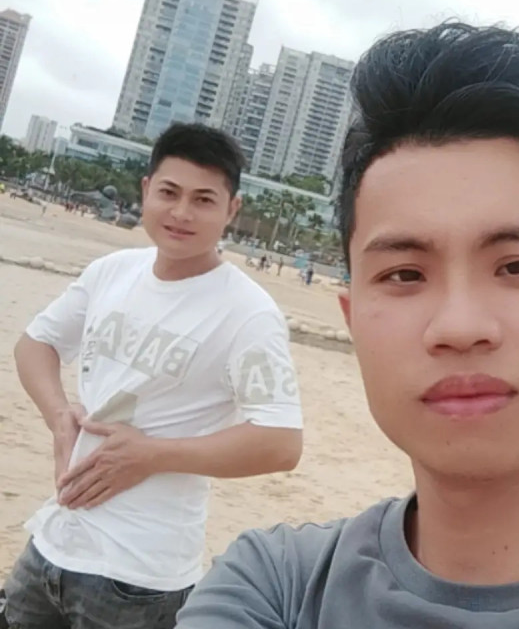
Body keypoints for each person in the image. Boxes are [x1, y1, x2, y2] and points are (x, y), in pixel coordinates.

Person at [176, 23, 519, 627]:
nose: (459, 327)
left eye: (518, 266)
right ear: (354, 324)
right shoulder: (279, 586)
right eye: (405, 274)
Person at [1, 123, 303, 629]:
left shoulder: (247, 312)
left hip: (138, 576)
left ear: (232, 209)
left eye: (203, 200)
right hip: (53, 541)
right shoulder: (113, 271)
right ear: (146, 190)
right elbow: (35, 344)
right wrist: (59, 416)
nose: (181, 212)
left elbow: (281, 441)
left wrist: (154, 455)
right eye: (169, 192)